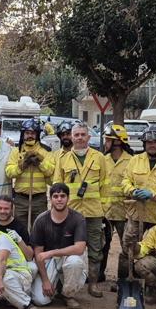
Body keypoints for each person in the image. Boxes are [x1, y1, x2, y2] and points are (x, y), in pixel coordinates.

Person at [53, 122, 107, 297]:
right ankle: (67, 283)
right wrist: (58, 210)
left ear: (88, 137)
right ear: (71, 137)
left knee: (95, 249)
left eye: (83, 134)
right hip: (71, 213)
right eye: (76, 135)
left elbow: (105, 185)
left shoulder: (99, 158)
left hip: (94, 212)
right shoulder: (63, 159)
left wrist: (104, 208)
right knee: (67, 247)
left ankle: (92, 284)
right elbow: (56, 186)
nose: (79, 138)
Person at [121, 125, 156, 273]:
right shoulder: (135, 160)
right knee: (129, 245)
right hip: (136, 213)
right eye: (148, 142)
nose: (152, 145)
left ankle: (151, 281)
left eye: (155, 142)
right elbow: (125, 181)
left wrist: (153, 194)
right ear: (144, 144)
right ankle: (126, 278)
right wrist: (132, 191)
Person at [30, 183, 88, 309]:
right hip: (49, 261)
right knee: (40, 300)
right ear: (51, 199)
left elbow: (79, 248)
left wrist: (52, 252)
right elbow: (38, 253)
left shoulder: (78, 219)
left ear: (68, 198)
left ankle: (68, 295)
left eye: (63, 196)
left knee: (75, 262)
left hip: (70, 257)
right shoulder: (41, 220)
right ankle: (56, 286)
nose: (59, 199)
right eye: (55, 196)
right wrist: (45, 280)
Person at [5, 118, 54, 228]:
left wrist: (40, 162)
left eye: (32, 133)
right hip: (20, 199)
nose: (30, 136)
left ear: (37, 134)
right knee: (19, 230)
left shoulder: (45, 151)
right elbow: (9, 172)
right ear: (23, 134)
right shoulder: (16, 151)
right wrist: (22, 165)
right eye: (27, 133)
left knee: (40, 229)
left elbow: (50, 171)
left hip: (39, 199)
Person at [100, 124, 133, 281]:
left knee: (127, 246)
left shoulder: (131, 161)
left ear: (118, 142)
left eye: (108, 140)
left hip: (124, 212)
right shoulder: (102, 160)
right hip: (105, 210)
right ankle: (99, 275)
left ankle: (124, 278)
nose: (105, 143)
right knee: (102, 244)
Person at [0, 195, 33, 261]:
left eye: (6, 208)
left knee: (33, 268)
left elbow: (29, 257)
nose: (2, 211)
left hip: (16, 262)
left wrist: (19, 240)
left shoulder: (20, 227)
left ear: (12, 209)